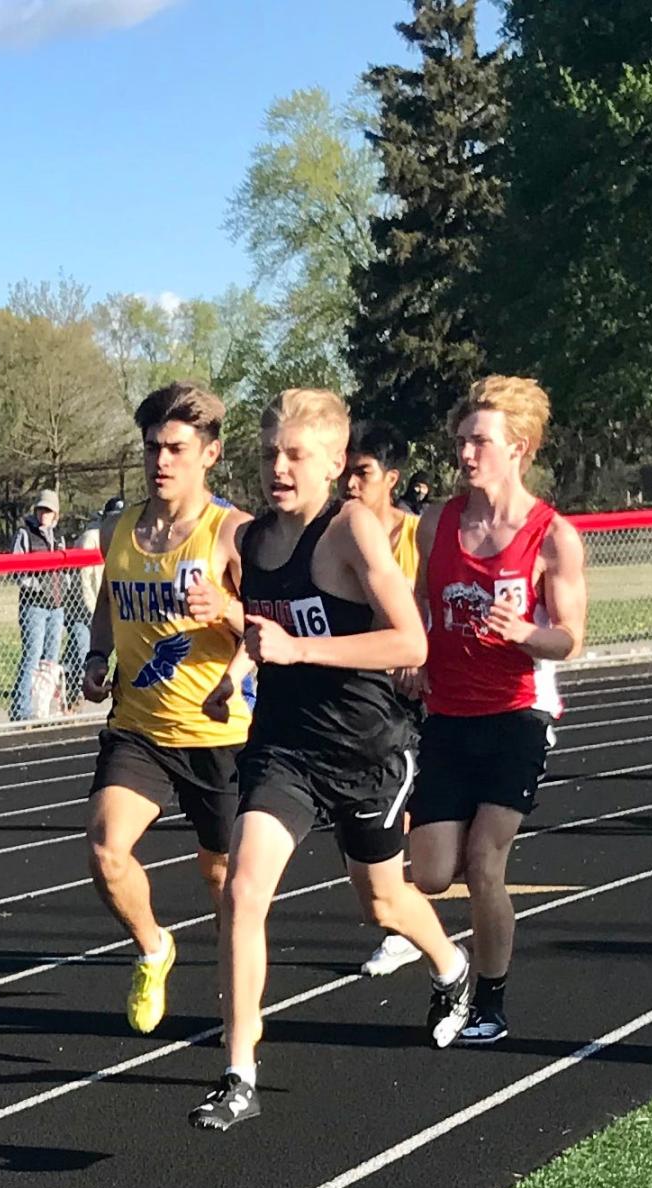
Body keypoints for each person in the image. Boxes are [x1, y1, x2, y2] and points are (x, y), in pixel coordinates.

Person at [188, 389, 471, 1132]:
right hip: (284, 749)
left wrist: (300, 649)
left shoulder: (352, 532)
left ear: (335, 462)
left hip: (367, 748)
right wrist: (234, 678)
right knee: (244, 891)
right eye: (269, 453)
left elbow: (410, 642)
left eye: (294, 455)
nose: (278, 469)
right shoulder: (250, 541)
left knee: (382, 902)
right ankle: (238, 1071)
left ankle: (452, 965)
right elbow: (264, 633)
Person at [405, 376, 586, 1045]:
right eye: (461, 440)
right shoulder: (438, 523)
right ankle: (451, 964)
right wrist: (414, 653)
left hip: (518, 711)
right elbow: (422, 607)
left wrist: (523, 634)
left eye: (480, 440)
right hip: (448, 713)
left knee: (484, 861)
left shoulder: (550, 535)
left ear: (519, 447)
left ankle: (491, 1001)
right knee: (427, 872)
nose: (465, 452)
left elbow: (569, 636)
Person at [82, 383, 252, 1037]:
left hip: (220, 732)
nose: (162, 460)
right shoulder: (118, 526)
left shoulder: (231, 533)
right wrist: (98, 657)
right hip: (140, 728)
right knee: (105, 850)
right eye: (153, 446)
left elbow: (268, 630)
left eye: (177, 448)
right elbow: (107, 602)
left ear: (208, 454)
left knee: (222, 879)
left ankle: (237, 994)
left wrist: (227, 612)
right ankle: (154, 947)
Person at [341, 419, 424, 978]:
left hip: (421, 698)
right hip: (360, 701)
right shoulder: (333, 536)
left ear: (390, 478)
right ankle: (401, 918)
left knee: (413, 818)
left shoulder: (420, 536)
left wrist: (425, 659)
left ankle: (407, 922)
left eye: (362, 473)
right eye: (344, 471)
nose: (349, 483)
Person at [62, 498, 124, 709]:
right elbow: (84, 580)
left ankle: (69, 695)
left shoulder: (120, 536)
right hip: (83, 608)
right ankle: (73, 696)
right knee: (81, 652)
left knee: (75, 652)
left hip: (103, 606)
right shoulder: (91, 537)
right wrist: (92, 609)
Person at [9, 489, 66, 721]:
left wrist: (64, 586)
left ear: (56, 514)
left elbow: (65, 567)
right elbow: (16, 570)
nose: (44, 514)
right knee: (32, 656)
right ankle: (20, 708)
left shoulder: (58, 536)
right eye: (41, 509)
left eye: (49, 510)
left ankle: (42, 706)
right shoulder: (25, 534)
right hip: (34, 606)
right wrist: (36, 586)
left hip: (57, 605)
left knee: (50, 660)